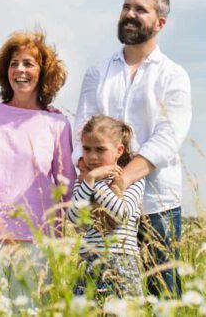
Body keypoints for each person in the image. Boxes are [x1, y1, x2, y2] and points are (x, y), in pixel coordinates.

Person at [74, 0, 192, 298]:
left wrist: (120, 181)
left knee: (162, 296)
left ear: (160, 22)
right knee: (101, 296)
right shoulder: (97, 73)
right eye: (126, 7)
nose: (129, 14)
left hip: (156, 204)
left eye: (140, 9)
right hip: (101, 205)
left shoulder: (173, 75)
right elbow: (81, 133)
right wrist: (93, 183)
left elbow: (168, 139)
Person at [0, 30, 77, 300]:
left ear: (44, 72)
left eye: (28, 63)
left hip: (37, 237)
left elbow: (66, 186)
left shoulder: (58, 125)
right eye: (14, 64)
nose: (20, 70)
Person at [70, 115, 146, 299]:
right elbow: (73, 217)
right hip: (88, 261)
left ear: (118, 150)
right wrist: (90, 179)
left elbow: (121, 214)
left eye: (100, 149)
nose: (92, 156)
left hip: (121, 262)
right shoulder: (84, 181)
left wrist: (96, 181)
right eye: (87, 149)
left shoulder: (131, 181)